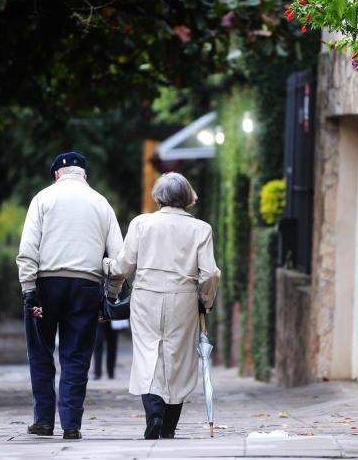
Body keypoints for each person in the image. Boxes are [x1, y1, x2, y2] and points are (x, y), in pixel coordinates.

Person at [103, 172, 220, 440]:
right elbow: (210, 274)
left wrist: (106, 266)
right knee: (176, 357)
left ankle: (153, 412)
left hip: (146, 298)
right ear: (187, 197)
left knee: (148, 353)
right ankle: (168, 425)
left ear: (159, 196)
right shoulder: (201, 229)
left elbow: (123, 266)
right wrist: (206, 301)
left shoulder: (141, 224)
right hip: (183, 298)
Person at [16, 151, 123, 440]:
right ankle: (71, 424)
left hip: (46, 285)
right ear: (85, 175)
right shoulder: (101, 203)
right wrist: (110, 295)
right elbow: (119, 258)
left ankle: (43, 420)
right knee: (76, 357)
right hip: (86, 287)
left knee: (40, 353)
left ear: (56, 175)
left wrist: (29, 290)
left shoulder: (42, 199)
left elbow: (28, 250)